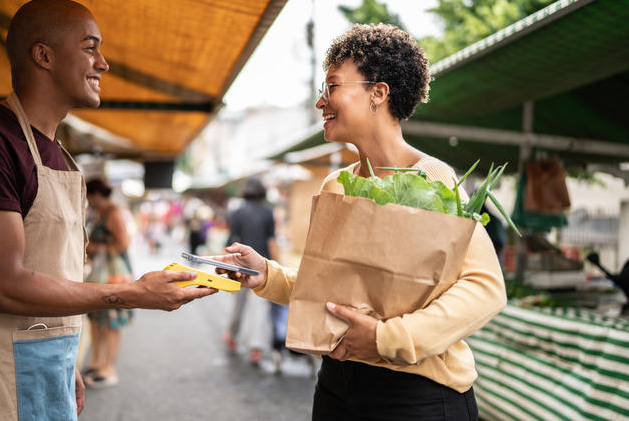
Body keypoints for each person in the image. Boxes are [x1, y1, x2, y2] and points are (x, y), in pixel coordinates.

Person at [0, 0, 216, 421]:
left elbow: (52, 272)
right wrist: (131, 294)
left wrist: (63, 361)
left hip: (48, 368)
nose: (103, 63)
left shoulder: (59, 156)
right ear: (43, 55)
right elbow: (3, 285)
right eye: (90, 47)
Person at [211, 23, 506, 420]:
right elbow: (329, 289)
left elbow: (485, 288)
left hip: (418, 394)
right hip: (337, 384)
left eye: (332, 86)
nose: (321, 102)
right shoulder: (337, 185)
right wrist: (267, 274)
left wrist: (388, 338)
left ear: (378, 93)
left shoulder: (434, 178)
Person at [83, 179, 133, 387]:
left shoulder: (112, 212)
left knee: (111, 320)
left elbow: (123, 244)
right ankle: (97, 362)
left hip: (114, 272)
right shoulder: (101, 212)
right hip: (102, 271)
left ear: (95, 195)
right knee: (96, 317)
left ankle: (108, 367)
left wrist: (96, 248)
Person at [222, 177, 276, 366]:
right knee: (259, 307)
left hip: (241, 265)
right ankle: (256, 348)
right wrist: (277, 265)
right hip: (263, 265)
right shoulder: (269, 212)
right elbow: (271, 241)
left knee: (239, 304)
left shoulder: (237, 212)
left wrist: (225, 266)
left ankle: (233, 336)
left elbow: (230, 241)